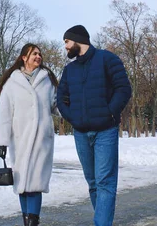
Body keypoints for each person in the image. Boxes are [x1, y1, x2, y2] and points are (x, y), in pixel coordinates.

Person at [56, 25, 132, 226]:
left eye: (66, 42)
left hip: (106, 130)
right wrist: (72, 117)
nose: (65, 46)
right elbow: (61, 99)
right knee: (92, 183)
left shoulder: (107, 59)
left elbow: (123, 89)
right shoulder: (69, 70)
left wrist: (109, 112)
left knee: (105, 182)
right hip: (80, 133)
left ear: (78, 40)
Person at [0, 43, 59, 226]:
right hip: (20, 139)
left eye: (40, 54)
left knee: (35, 183)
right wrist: (2, 143)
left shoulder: (47, 81)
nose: (38, 57)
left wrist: (73, 108)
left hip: (42, 140)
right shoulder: (12, 82)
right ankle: (27, 222)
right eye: (34, 54)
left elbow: (56, 106)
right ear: (24, 57)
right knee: (22, 185)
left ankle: (33, 222)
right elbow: (4, 114)